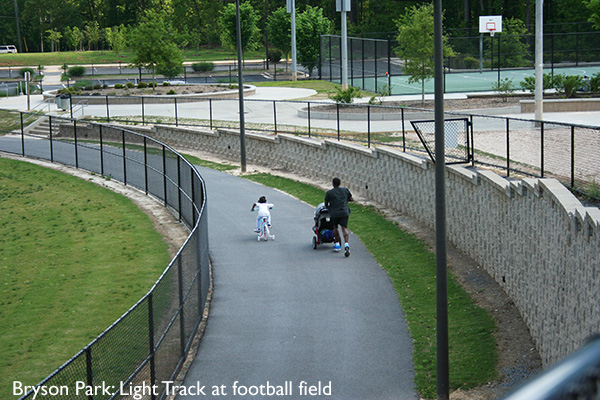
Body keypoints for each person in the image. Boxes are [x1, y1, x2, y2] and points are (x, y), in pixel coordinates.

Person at [324, 177, 353, 256]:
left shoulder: (329, 193)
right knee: (344, 228)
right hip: (344, 212)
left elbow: (326, 203)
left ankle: (337, 244)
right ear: (340, 183)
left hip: (334, 213)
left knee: (335, 227)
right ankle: (346, 244)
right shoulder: (345, 190)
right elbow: (351, 199)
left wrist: (327, 207)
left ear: (333, 184)